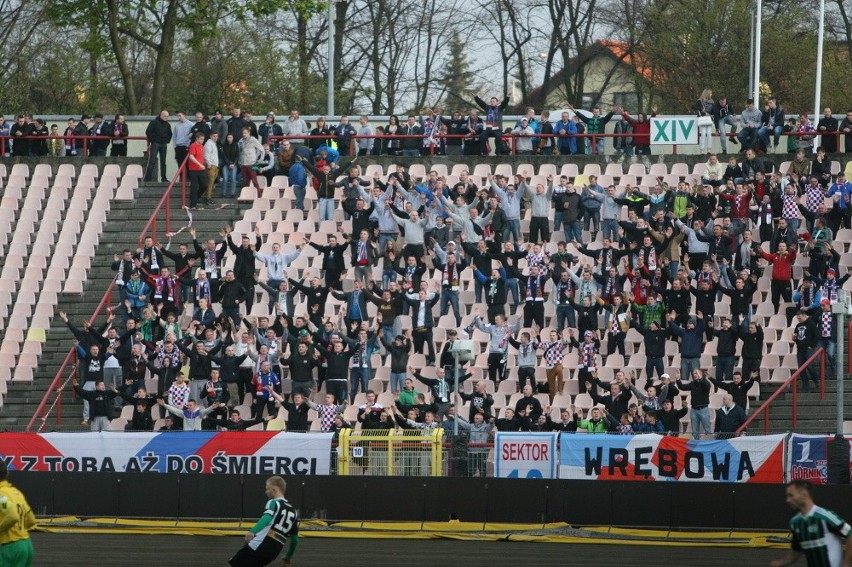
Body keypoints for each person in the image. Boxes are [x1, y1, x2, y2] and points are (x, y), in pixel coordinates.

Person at [770, 479, 852, 567]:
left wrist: (847, 563)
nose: (788, 500)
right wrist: (781, 562)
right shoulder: (795, 522)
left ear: (804, 494)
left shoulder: (824, 517)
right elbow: (796, 550)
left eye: (791, 495)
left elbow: (850, 534)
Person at [229, 476, 298, 567]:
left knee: (234, 563)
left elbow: (266, 518)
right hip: (273, 553)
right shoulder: (294, 512)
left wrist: (252, 531)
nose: (266, 492)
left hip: (260, 545)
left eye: (267, 488)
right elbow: (295, 539)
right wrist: (288, 557)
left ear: (274, 489)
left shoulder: (273, 502)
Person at [0, 460, 36, 567]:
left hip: (12, 547)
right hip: (27, 545)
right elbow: (31, 520)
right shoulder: (16, 492)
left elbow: (12, 516)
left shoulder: (1, 494)